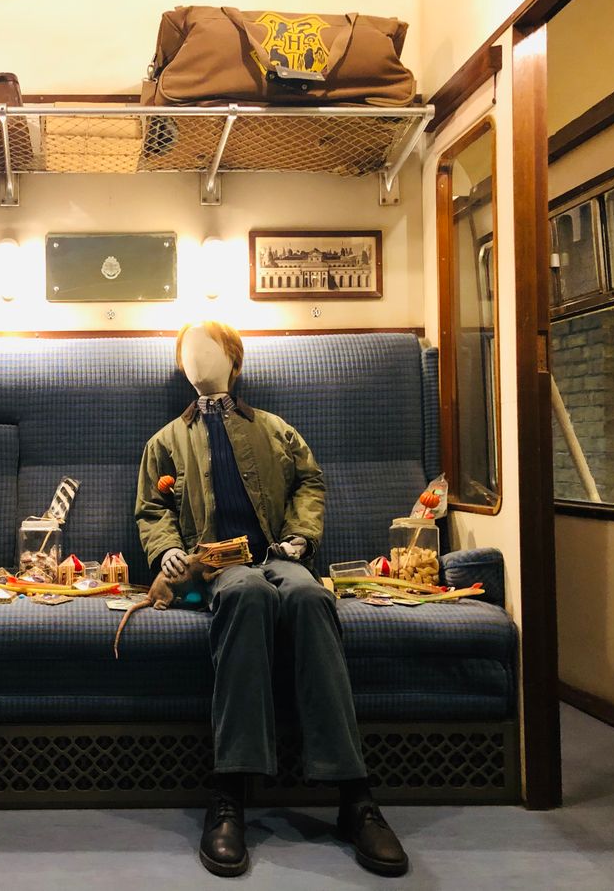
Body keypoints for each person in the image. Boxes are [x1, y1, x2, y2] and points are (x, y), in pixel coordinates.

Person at [135, 321, 408, 879]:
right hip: (218, 566)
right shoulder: (164, 442)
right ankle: (230, 790)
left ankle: (354, 795)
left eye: (208, 346)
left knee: (309, 598)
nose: (194, 356)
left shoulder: (275, 429)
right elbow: (152, 509)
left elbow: (310, 481)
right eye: (186, 350)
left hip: (281, 555)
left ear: (234, 360)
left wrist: (301, 536)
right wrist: (168, 550)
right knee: (247, 594)